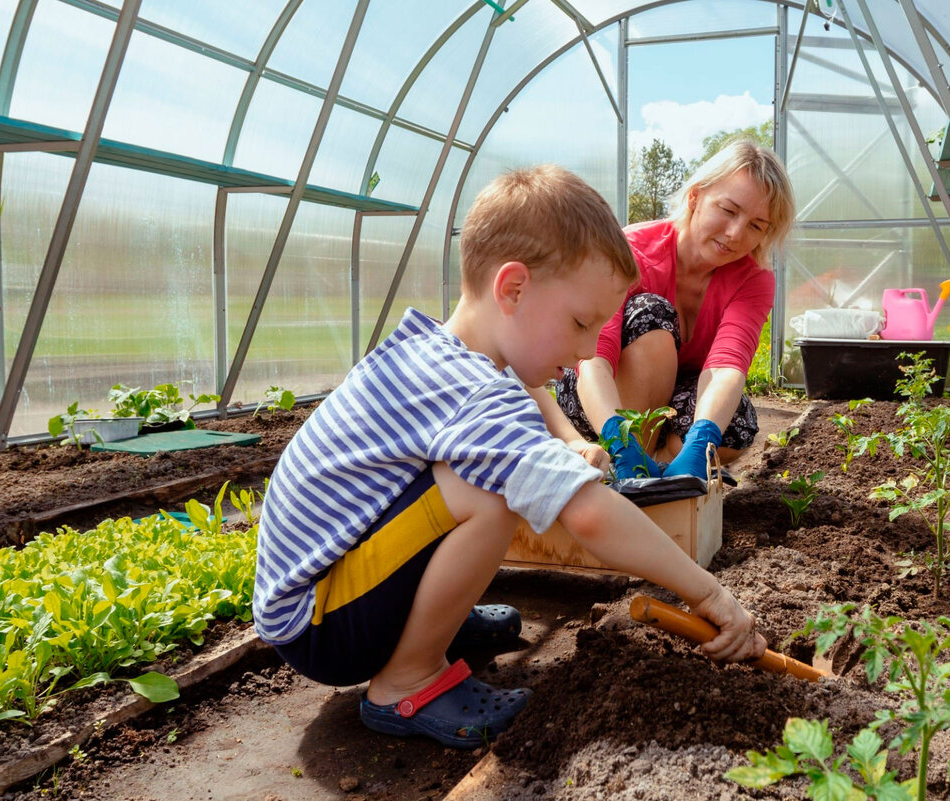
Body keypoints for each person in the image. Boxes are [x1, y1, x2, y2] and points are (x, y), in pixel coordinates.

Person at [252, 164, 766, 750]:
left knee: (491, 479)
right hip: (319, 624)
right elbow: (590, 513)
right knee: (489, 496)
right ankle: (406, 680)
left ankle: (428, 624)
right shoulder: (474, 393)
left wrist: (572, 447)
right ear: (513, 289)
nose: (581, 353)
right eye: (580, 323)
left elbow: (520, 421)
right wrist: (707, 593)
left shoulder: (436, 352)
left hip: (320, 590)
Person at [554, 139, 795, 480]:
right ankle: (618, 454)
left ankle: (663, 467)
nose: (735, 233)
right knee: (653, 312)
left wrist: (701, 441)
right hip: (593, 391)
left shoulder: (753, 279)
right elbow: (594, 356)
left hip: (671, 400)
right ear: (695, 197)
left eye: (756, 225)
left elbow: (728, 366)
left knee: (735, 420)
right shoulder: (632, 252)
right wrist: (618, 437)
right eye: (728, 210)